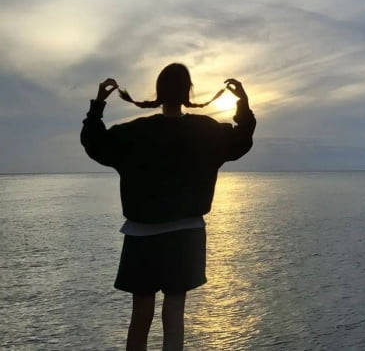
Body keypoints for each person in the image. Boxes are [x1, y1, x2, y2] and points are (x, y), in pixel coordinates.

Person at [80, 63, 255, 351]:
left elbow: (94, 141)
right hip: (185, 234)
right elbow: (241, 139)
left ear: (159, 93)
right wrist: (243, 103)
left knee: (141, 314)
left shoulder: (133, 133)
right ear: (188, 91)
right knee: (174, 313)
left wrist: (98, 105)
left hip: (140, 234)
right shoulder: (206, 131)